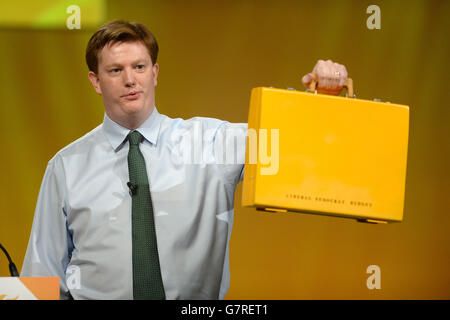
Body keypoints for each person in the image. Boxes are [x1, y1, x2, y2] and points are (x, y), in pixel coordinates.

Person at [21, 20, 349, 300]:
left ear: (155, 72)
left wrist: (324, 98)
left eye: (139, 67)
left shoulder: (211, 143)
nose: (130, 80)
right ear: (95, 80)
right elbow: (40, 274)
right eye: (115, 70)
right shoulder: (66, 164)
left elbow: (299, 149)